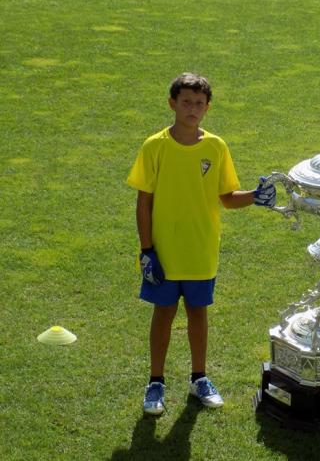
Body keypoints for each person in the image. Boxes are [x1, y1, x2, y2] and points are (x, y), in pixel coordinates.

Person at [126, 73, 276, 415]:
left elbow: (226, 197)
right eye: (186, 102)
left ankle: (199, 378)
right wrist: (147, 250)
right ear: (172, 103)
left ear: (207, 108)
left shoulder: (216, 147)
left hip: (201, 249)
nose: (192, 109)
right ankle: (156, 382)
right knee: (163, 313)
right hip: (163, 250)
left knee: (198, 312)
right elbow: (143, 202)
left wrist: (255, 196)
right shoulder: (155, 146)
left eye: (199, 103)